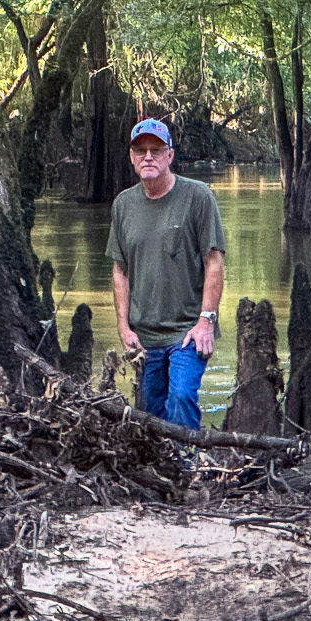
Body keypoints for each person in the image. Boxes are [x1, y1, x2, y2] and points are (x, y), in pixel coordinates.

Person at [108, 117, 225, 430]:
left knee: (181, 396)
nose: (148, 157)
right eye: (141, 150)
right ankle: (163, 461)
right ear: (131, 156)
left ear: (170, 155)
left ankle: (189, 459)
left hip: (188, 329)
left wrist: (206, 321)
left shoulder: (197, 197)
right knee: (150, 412)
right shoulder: (123, 204)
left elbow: (214, 262)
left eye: (156, 150)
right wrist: (123, 327)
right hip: (144, 336)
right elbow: (120, 270)